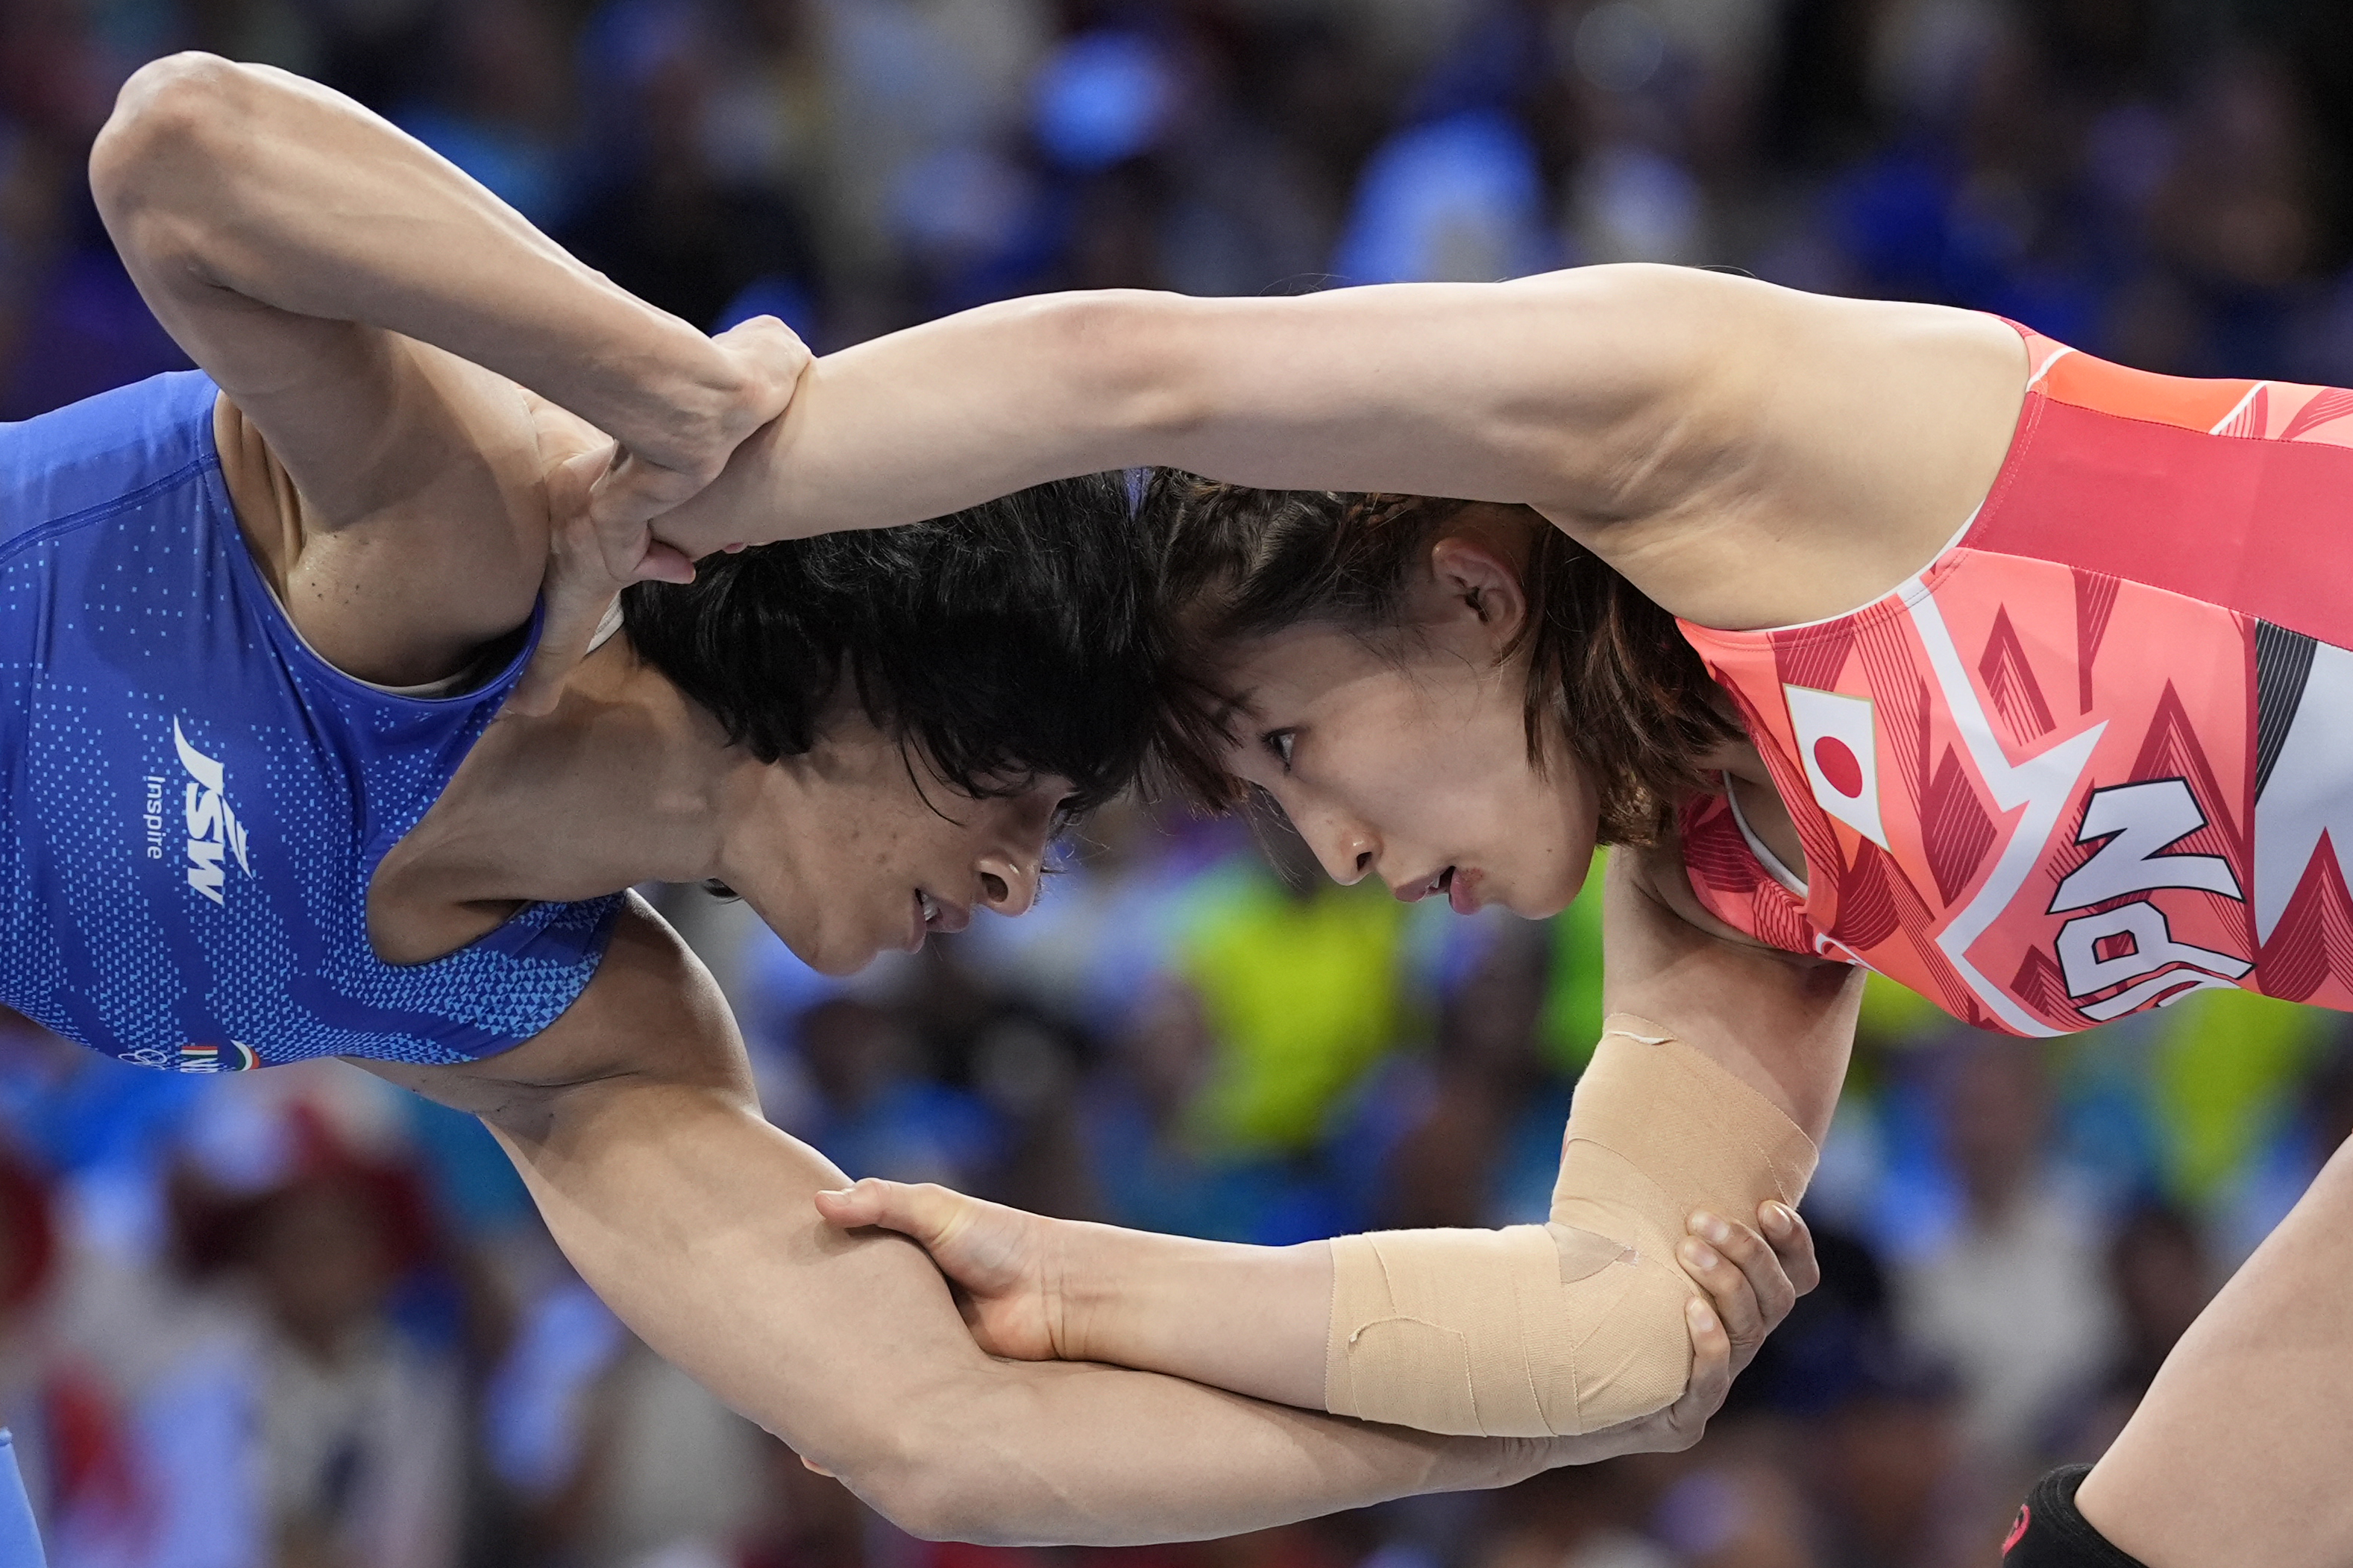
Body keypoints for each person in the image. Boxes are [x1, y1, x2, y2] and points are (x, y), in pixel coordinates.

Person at [0, 54, 1817, 1554]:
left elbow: (931, 1432)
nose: (1021, 885)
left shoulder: (599, 1029)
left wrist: (1507, 1439)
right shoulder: (469, 551)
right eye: (1019, 796)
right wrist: (676, 389)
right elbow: (180, 147)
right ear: (874, 676)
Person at [638, 264, 2353, 1566]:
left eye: (1297, 745)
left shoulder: (1726, 439)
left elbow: (1128, 370)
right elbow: (1615, 1334)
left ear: (1470, 588)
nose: (1338, 855)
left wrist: (664, 482)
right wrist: (1077, 1280)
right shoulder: (1723, 887)